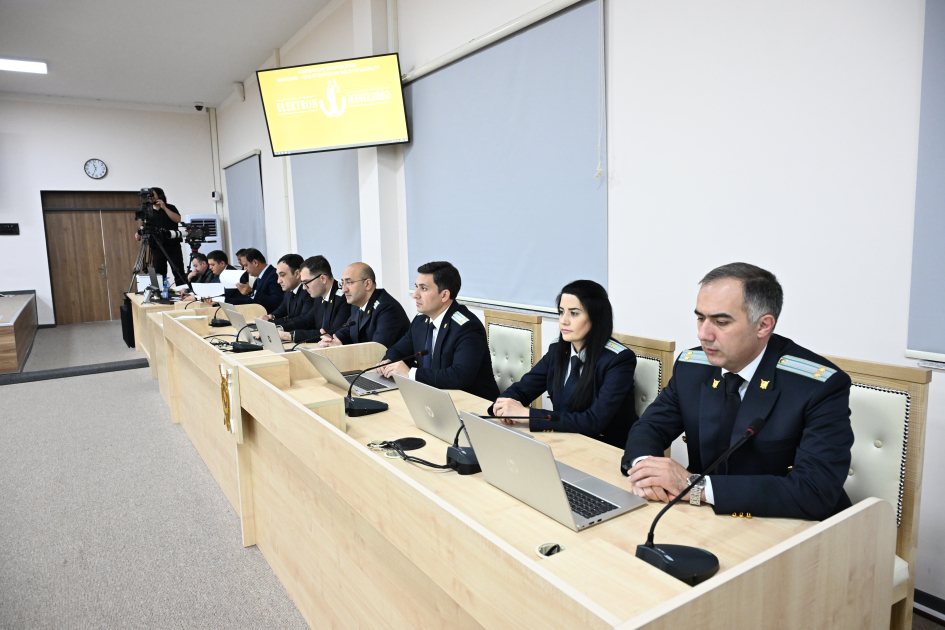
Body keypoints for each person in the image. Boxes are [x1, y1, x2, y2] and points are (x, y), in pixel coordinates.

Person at [622, 263, 854, 521]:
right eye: (700, 318)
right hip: (704, 521)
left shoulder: (818, 386)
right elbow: (650, 427)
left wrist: (696, 486)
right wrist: (645, 470)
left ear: (763, 326)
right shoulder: (692, 366)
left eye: (721, 322)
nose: (703, 334)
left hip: (788, 527)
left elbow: (814, 491)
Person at [490, 280, 638, 447]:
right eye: (561, 312)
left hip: (606, 450)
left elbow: (594, 422)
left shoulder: (619, 360)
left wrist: (528, 415)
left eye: (574, 313)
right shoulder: (557, 350)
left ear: (596, 317)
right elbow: (523, 388)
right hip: (565, 442)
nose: (563, 321)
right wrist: (504, 405)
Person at [376, 262, 499, 400]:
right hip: (434, 398)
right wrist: (388, 362)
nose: (415, 295)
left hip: (474, 405)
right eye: (416, 287)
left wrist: (410, 373)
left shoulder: (467, 328)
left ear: (444, 295)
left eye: (423, 288)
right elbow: (399, 350)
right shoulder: (420, 321)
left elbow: (460, 376)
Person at [319, 262, 409, 348]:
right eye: (342, 283)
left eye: (349, 282)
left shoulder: (387, 308)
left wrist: (341, 349)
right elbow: (347, 331)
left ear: (367, 284)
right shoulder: (356, 305)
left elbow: (377, 349)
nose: (343, 289)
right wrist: (331, 340)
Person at [279, 256, 350, 344]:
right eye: (302, 283)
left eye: (306, 283)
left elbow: (332, 333)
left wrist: (290, 336)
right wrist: (281, 328)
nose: (304, 288)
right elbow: (307, 321)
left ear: (323, 279)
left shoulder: (344, 298)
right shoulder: (319, 297)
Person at [133, 187, 186, 286]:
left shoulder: (170, 207)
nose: (150, 197)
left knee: (178, 270)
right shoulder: (147, 210)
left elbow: (177, 219)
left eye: (153, 194)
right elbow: (144, 224)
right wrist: (139, 232)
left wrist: (164, 207)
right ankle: (162, 293)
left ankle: (183, 292)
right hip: (156, 245)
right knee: (159, 272)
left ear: (160, 195)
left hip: (172, 245)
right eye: (149, 195)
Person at [262, 254, 315, 332]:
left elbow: (304, 321)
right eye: (278, 276)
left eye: (282, 275)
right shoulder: (289, 290)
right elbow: (282, 308)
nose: (278, 281)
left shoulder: (309, 292)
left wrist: (273, 322)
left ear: (297, 274)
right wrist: (271, 316)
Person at [226, 248, 282, 313]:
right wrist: (223, 300)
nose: (244, 269)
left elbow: (276, 302)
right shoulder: (260, 277)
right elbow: (250, 301)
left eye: (246, 265)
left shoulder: (274, 275)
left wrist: (252, 293)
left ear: (255, 262)